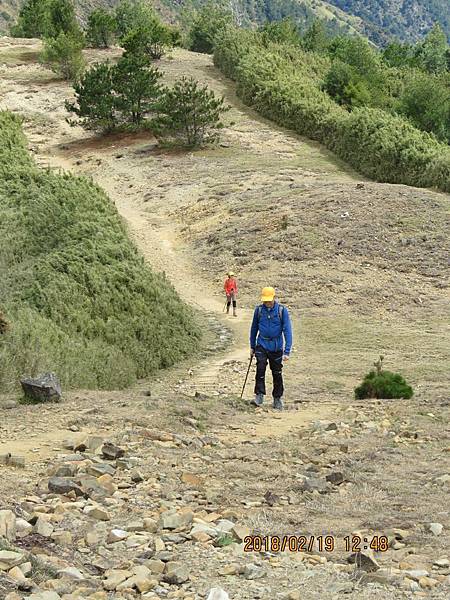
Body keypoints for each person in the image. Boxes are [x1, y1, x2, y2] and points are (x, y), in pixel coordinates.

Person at [249, 287, 292, 410]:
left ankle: (277, 398)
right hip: (261, 344)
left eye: (269, 300)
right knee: (260, 368)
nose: (267, 302)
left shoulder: (282, 311)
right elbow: (253, 329)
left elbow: (287, 330)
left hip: (276, 346)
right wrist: (252, 346)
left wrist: (287, 351)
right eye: (265, 300)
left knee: (277, 373)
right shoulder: (259, 311)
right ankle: (259, 395)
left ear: (274, 297)